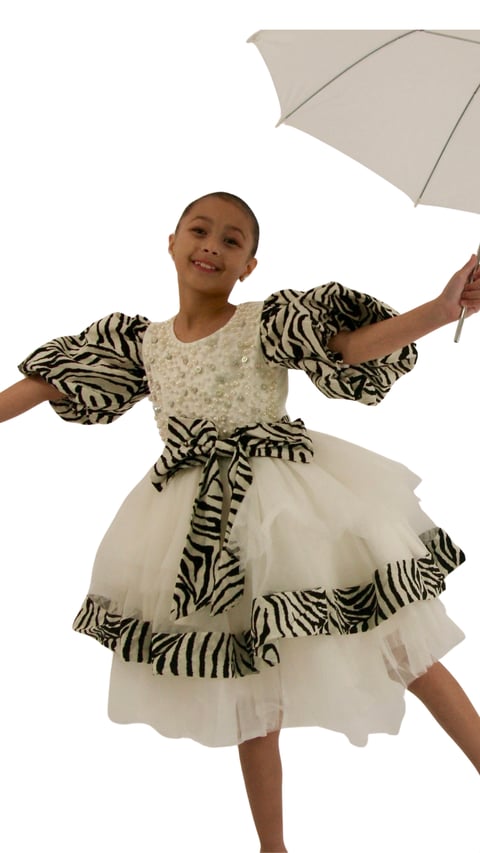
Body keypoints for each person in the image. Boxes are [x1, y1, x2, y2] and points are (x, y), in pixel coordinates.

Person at [1, 190, 479, 853]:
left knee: (401, 644)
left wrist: (438, 309)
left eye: (232, 240)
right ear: (169, 241)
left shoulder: (265, 321)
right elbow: (51, 380)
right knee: (251, 679)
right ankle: (272, 847)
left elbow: (353, 347)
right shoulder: (139, 344)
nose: (212, 245)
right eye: (200, 230)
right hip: (197, 524)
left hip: (290, 504)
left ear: (250, 265)